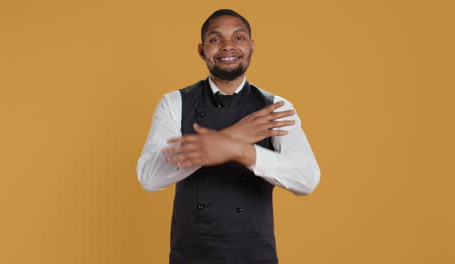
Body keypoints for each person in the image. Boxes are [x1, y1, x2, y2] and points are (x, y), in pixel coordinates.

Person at [137, 9, 320, 264]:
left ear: (252, 47)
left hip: (255, 254)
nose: (227, 46)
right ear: (202, 51)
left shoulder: (276, 107)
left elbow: (306, 179)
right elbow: (149, 177)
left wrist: (240, 150)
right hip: (191, 253)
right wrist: (234, 135)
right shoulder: (174, 103)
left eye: (238, 38)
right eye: (215, 39)